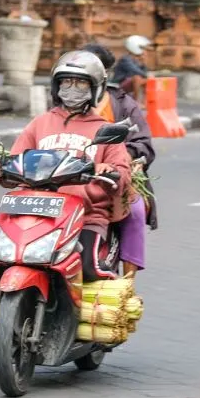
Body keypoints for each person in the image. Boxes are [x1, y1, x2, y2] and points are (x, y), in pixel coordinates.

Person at [0, 51, 132, 282]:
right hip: (36, 212)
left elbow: (122, 173)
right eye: (66, 81)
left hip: (85, 216)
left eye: (80, 83)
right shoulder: (40, 123)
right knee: (2, 258)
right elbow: (16, 160)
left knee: (90, 269)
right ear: (57, 86)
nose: (72, 88)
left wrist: (108, 170)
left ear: (95, 89)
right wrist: (0, 167)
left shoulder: (104, 129)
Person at [83, 42, 157, 277]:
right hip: (71, 174)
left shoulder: (123, 102)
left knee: (134, 210)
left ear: (103, 73)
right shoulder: (62, 103)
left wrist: (122, 156)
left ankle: (127, 281)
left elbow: (144, 144)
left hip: (114, 176)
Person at [113, 35, 153, 104]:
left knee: (148, 79)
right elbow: (135, 71)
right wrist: (147, 75)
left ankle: (145, 103)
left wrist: (143, 63)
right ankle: (135, 103)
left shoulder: (137, 59)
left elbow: (143, 74)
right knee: (137, 78)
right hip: (118, 85)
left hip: (130, 83)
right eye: (141, 48)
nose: (144, 51)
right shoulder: (125, 59)